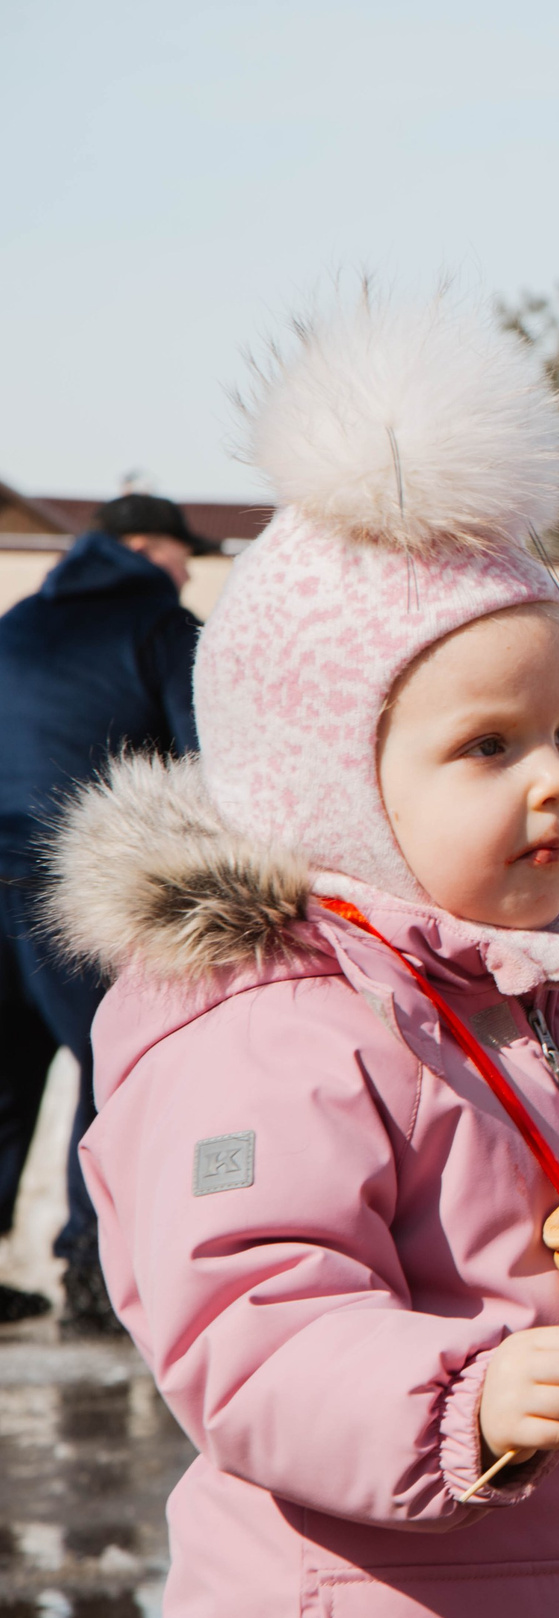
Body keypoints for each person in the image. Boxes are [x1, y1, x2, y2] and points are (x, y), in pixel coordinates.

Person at [43, 294, 559, 1618]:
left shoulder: (542, 1008)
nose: (555, 779)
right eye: (488, 745)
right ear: (337, 781)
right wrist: (464, 1397)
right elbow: (250, 1319)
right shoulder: (271, 1020)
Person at [0, 491, 208, 1331]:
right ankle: (92, 1268)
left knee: (4, 1080)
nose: (189, 568)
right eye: (183, 552)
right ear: (148, 547)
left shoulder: (16, 622)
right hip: (76, 884)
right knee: (116, 1064)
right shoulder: (163, 625)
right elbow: (203, 757)